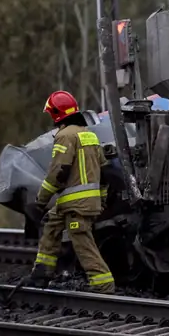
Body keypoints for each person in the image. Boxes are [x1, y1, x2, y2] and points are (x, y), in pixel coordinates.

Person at [28, 91, 115, 293]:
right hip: (80, 201)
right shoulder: (90, 136)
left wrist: (40, 200)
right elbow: (105, 171)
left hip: (76, 202)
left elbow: (57, 173)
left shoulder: (65, 136)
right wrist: (101, 200)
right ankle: (41, 274)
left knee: (81, 240)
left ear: (56, 114)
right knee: (51, 223)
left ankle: (103, 283)